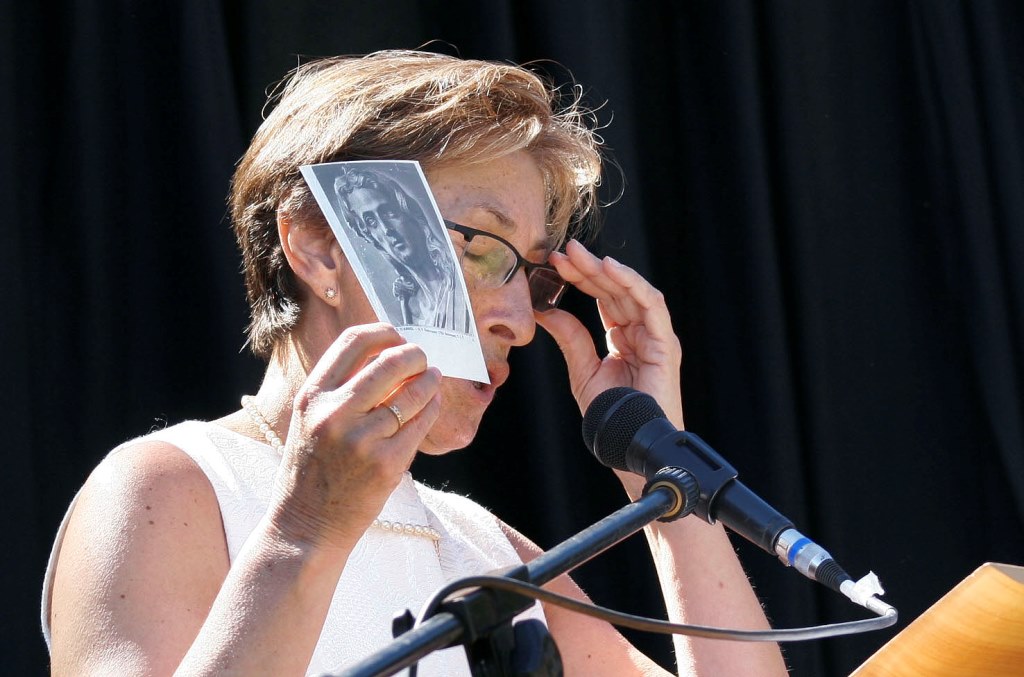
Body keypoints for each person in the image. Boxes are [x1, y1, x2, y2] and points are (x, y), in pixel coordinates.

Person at [42, 50, 789, 676]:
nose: (520, 322)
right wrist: (307, 531)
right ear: (319, 246)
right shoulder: (171, 487)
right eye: (483, 249)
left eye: (534, 275)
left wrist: (658, 456)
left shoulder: (483, 550)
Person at [333, 166, 471, 332]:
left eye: (388, 212)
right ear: (371, 237)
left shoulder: (458, 279)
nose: (386, 229)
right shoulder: (408, 305)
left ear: (409, 213)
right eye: (371, 222)